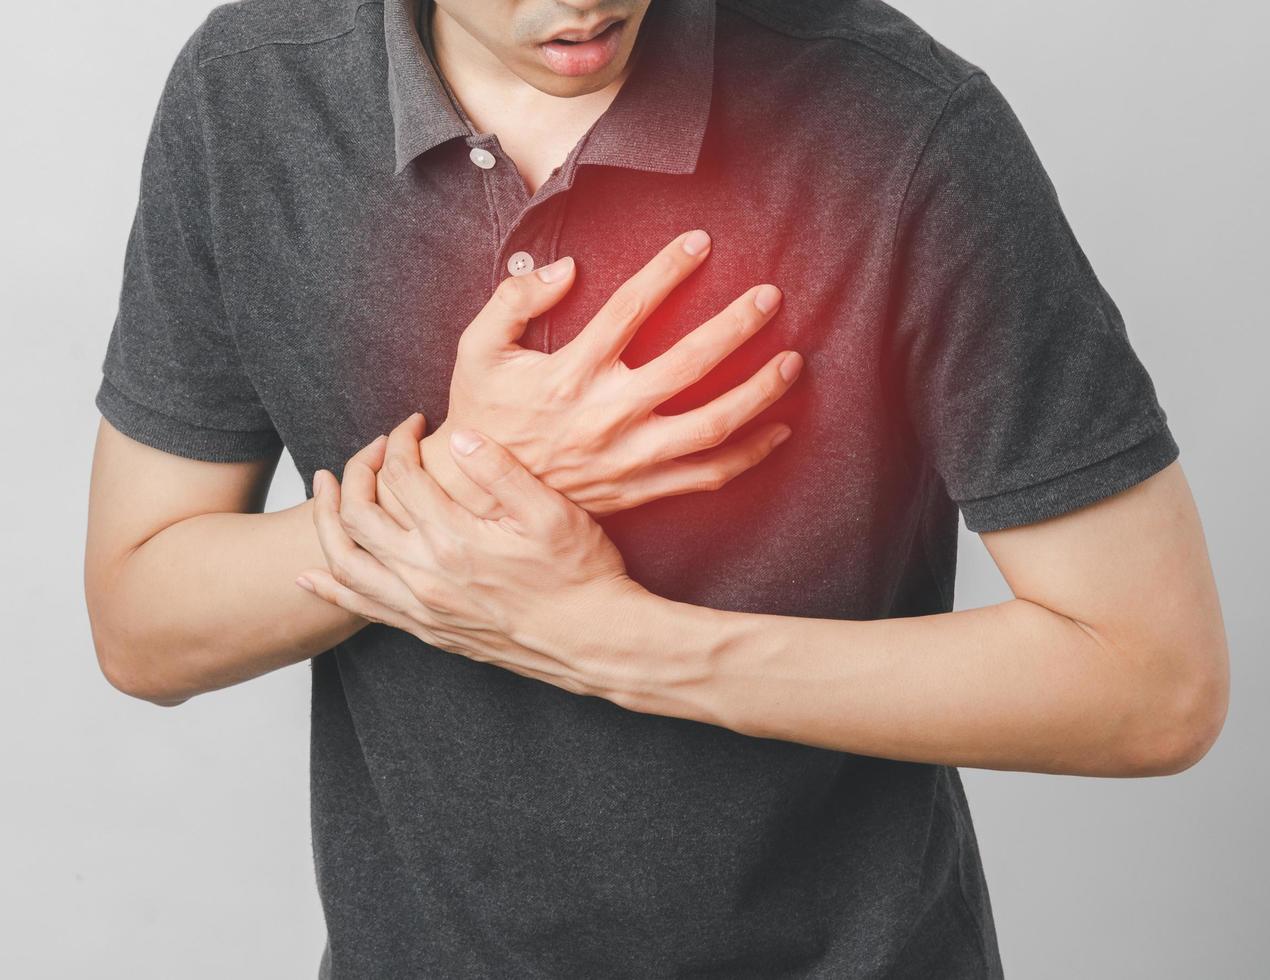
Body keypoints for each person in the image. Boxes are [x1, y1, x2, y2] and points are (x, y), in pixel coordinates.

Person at [84, 0, 1230, 975]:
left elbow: (1150, 680)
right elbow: (146, 623)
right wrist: (478, 470)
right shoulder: (247, 97)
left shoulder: (898, 123)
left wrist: (614, 641)